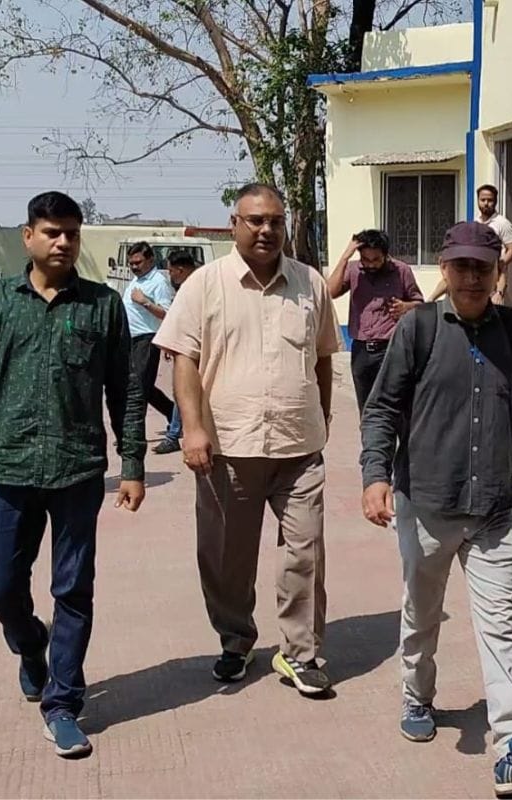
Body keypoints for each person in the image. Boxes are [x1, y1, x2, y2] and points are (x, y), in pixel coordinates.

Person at [0, 191, 146, 759]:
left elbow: (126, 392)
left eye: (72, 233)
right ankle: (30, 645)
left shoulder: (102, 305)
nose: (63, 242)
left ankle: (63, 703)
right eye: (52, 232)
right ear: (28, 236)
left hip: (78, 472)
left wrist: (133, 464)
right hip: (10, 469)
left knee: (73, 588)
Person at [360, 221, 512, 798]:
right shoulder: (418, 328)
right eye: (462, 266)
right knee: (422, 614)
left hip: (494, 509)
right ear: (445, 270)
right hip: (426, 503)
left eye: (483, 267)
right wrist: (375, 476)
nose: (472, 277)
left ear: (498, 272)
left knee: (501, 624)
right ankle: (417, 694)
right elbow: (382, 409)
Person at [153, 183, 341, 697]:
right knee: (225, 557)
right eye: (255, 220)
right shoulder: (205, 284)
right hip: (228, 449)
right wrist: (193, 429)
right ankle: (235, 639)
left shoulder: (310, 283)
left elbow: (323, 356)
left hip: (298, 449)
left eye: (275, 221)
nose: (266, 230)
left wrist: (322, 415)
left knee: (305, 551)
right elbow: (184, 360)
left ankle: (301, 653)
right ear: (234, 224)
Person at [326, 228, 423, 415]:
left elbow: (420, 303)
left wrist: (406, 307)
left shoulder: (401, 271)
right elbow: (329, 292)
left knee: (396, 407)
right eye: (365, 259)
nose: (370, 264)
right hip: (361, 351)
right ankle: (369, 435)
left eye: (376, 260)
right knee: (366, 408)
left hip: (391, 348)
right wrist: (345, 257)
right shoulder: (353, 270)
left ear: (385, 255)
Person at [429, 184, 512, 305]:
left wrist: (499, 264)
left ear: (495, 201)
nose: (486, 203)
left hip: (491, 270)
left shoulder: (502, 223)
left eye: (490, 200)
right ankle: (429, 301)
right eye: (483, 200)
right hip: (474, 264)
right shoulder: (476, 222)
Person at [122, 242, 176, 428]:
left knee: (138, 387)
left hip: (146, 339)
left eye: (138, 262)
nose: (134, 267)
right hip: (130, 339)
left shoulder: (158, 282)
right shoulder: (136, 281)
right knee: (140, 385)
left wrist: (145, 302)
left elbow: (167, 313)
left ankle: (134, 431)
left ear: (150, 260)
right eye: (131, 263)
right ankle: (174, 414)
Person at [153, 251, 200, 455]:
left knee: (184, 389)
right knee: (183, 390)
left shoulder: (198, 285)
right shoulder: (186, 287)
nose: (170, 275)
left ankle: (174, 435)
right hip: (185, 345)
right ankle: (175, 432)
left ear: (180, 270)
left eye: (171, 271)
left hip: (195, 347)